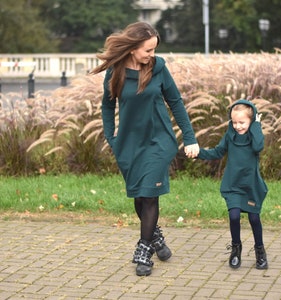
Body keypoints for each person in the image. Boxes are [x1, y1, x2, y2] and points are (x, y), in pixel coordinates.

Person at [91, 22, 199, 276]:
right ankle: (156, 238)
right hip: (128, 143)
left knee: (150, 194)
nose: (152, 54)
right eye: (148, 50)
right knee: (140, 195)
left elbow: (176, 103)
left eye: (154, 50)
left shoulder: (158, 68)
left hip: (159, 141)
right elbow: (107, 105)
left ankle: (143, 250)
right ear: (132, 48)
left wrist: (190, 137)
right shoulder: (116, 71)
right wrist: (111, 136)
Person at [197, 99, 268, 270]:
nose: (238, 126)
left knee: (254, 218)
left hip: (250, 186)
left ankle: (260, 250)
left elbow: (259, 146)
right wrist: (198, 152)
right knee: (234, 216)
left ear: (251, 121)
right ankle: (236, 249)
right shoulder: (230, 136)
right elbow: (217, 152)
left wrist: (257, 125)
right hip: (233, 184)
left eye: (242, 122)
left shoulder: (254, 135)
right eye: (234, 122)